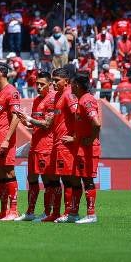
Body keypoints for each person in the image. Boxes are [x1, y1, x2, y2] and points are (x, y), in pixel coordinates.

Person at [16, 70, 59, 221]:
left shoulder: (52, 99)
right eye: (37, 84)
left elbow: (47, 124)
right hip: (35, 145)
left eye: (42, 84)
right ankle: (30, 212)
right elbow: (35, 123)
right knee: (32, 178)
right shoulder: (36, 100)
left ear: (50, 85)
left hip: (47, 145)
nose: (39, 87)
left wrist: (29, 119)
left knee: (48, 181)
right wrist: (25, 121)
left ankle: (48, 212)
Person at [0, 62, 22, 220]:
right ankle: (3, 210)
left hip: (4, 139)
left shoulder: (12, 91)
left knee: (9, 172)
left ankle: (14, 210)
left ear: (1, 73)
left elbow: (16, 116)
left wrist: (7, 139)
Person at [66, 73, 101, 224]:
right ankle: (73, 213)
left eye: (72, 84)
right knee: (75, 180)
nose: (70, 87)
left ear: (77, 86)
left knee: (87, 180)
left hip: (88, 149)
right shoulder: (81, 100)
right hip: (80, 147)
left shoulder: (86, 100)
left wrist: (91, 139)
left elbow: (96, 123)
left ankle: (91, 215)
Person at [46, 67, 81, 222]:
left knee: (68, 179)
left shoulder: (68, 95)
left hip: (66, 144)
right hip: (57, 142)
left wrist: (74, 137)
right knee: (56, 179)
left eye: (56, 80)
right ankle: (57, 212)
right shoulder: (58, 96)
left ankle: (70, 212)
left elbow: (77, 115)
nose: (53, 83)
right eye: (52, 80)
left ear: (66, 81)